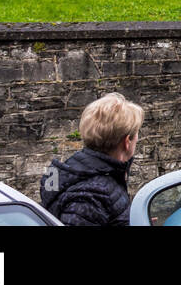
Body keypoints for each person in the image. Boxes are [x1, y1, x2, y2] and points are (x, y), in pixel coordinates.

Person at [40, 92, 144, 226]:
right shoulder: (91, 196)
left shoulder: (76, 170)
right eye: (136, 134)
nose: (138, 139)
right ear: (127, 142)